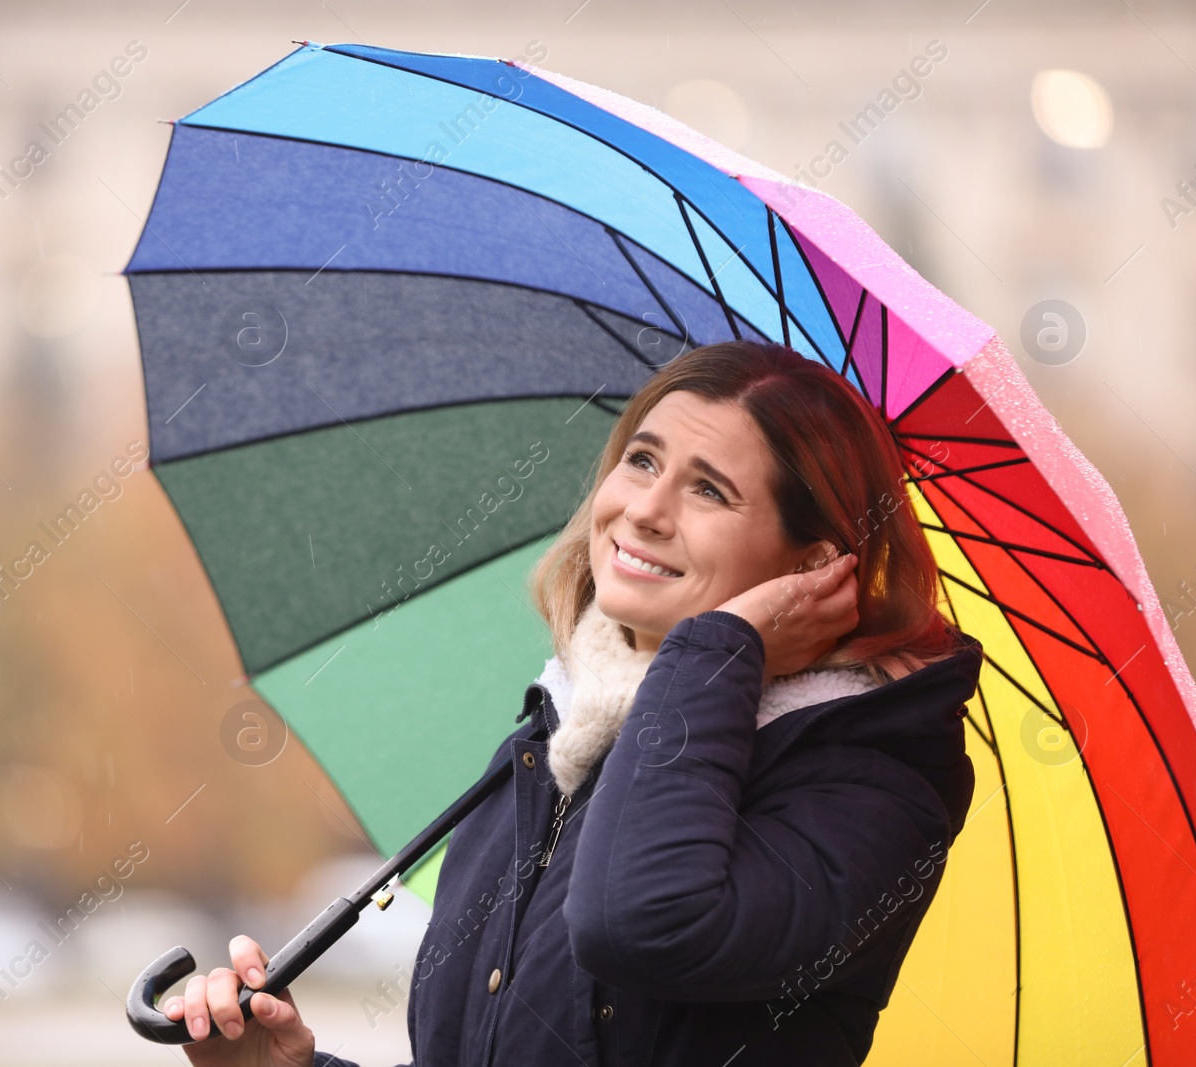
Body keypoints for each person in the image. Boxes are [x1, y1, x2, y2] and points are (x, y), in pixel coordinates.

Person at [162, 340, 982, 1066]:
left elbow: (640, 922)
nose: (646, 511)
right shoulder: (552, 740)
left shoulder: (868, 786)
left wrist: (717, 649)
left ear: (814, 568)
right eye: (643, 459)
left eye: (710, 491)